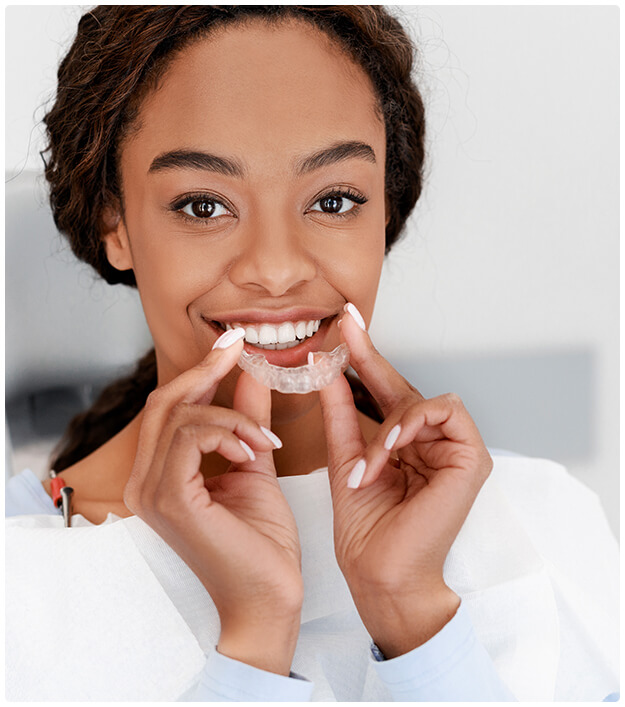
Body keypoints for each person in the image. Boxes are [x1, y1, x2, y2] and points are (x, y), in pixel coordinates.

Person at [5, 6, 619, 702]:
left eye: (332, 199)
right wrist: (255, 636)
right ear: (114, 221)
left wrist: (412, 611)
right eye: (204, 205)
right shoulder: (21, 572)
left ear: (384, 209)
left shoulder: (540, 525)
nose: (274, 268)